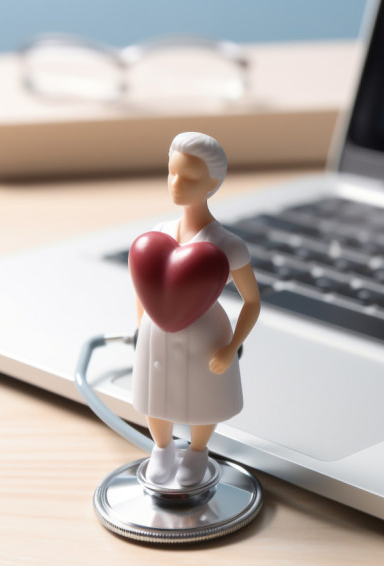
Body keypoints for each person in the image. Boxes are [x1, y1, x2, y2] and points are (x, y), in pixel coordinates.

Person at [130, 132, 260, 486]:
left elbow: (251, 301)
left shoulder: (227, 245)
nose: (175, 184)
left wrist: (232, 347)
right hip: (157, 331)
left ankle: (198, 452)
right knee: (157, 397)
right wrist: (142, 327)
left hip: (207, 336)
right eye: (171, 173)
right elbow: (144, 287)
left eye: (187, 178)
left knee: (203, 397)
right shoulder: (158, 233)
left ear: (213, 183)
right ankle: (162, 448)